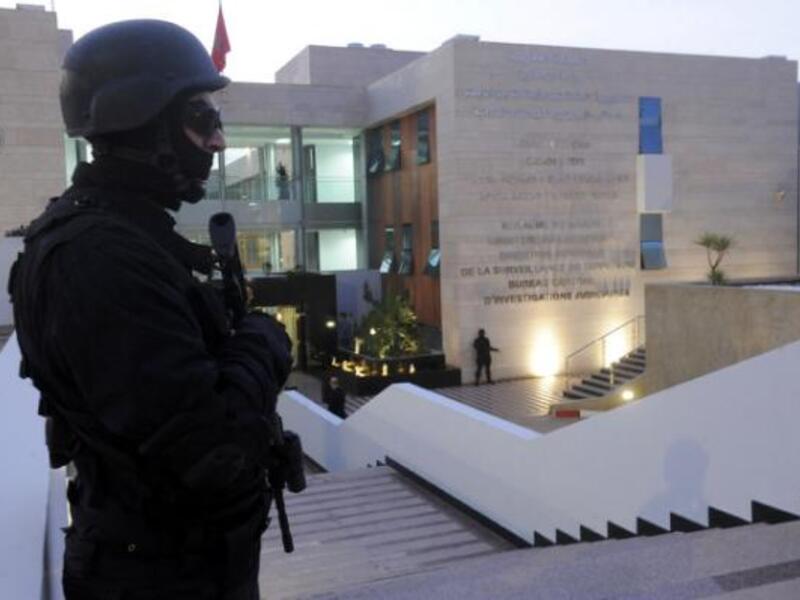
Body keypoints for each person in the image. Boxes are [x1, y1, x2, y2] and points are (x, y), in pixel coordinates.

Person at [9, 20, 293, 600]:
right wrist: (264, 339)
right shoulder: (97, 258)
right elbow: (217, 453)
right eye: (200, 117)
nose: (217, 141)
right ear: (141, 120)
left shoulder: (122, 239)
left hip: (184, 564)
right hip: (160, 576)